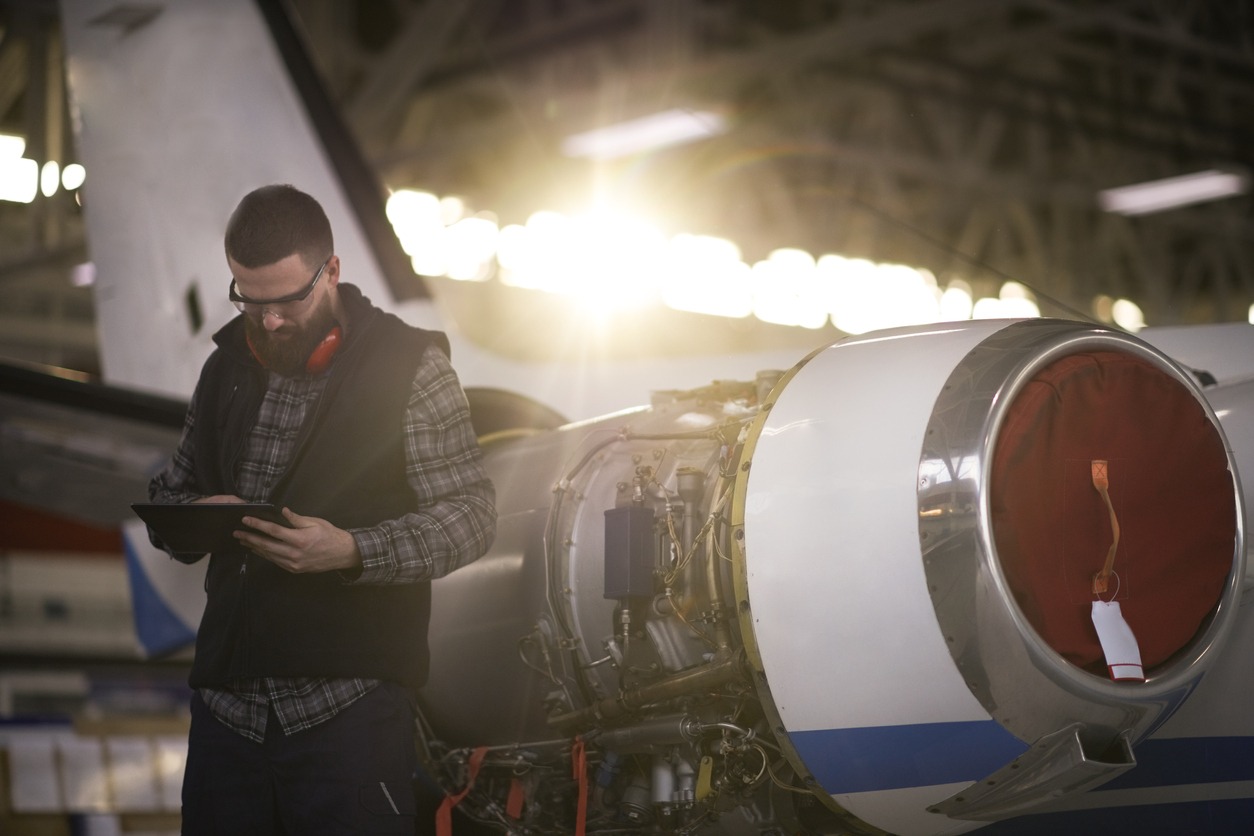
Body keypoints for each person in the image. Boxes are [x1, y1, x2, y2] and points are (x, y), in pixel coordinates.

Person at [146, 183, 497, 834]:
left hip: (349, 719)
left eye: (287, 301)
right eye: (250, 301)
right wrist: (196, 512)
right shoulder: (222, 371)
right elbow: (172, 490)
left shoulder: (411, 368)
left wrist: (353, 551)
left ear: (331, 271)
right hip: (227, 718)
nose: (270, 320)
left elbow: (471, 516)